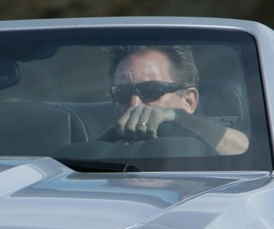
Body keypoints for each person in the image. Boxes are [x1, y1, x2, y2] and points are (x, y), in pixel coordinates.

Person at [106, 44, 249, 155]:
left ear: (189, 101)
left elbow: (245, 151)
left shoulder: (210, 148)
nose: (134, 103)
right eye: (121, 93)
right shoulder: (101, 154)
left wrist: (177, 119)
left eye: (152, 90)